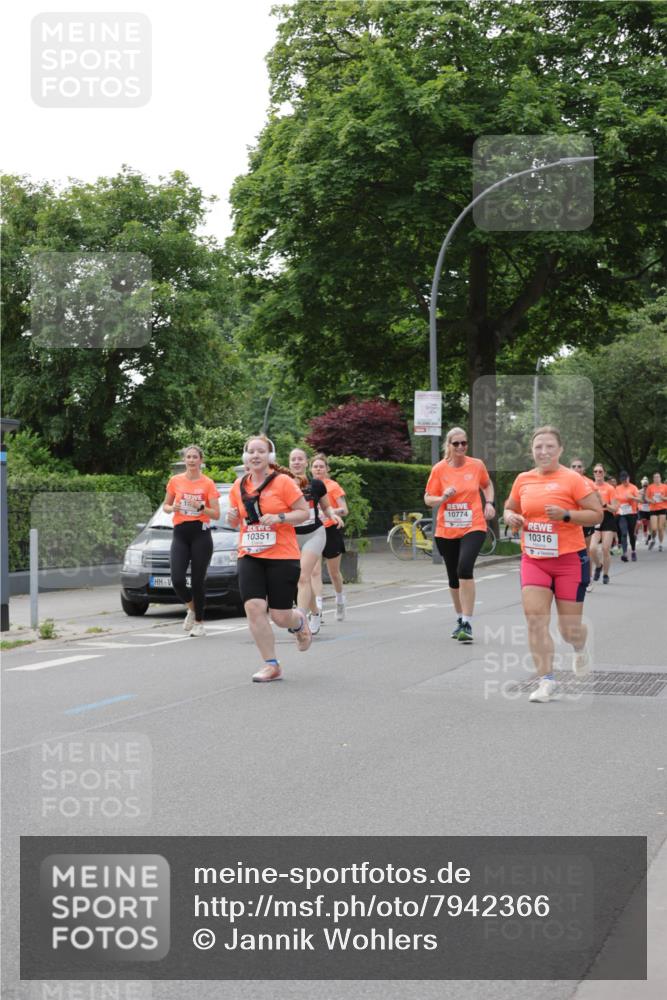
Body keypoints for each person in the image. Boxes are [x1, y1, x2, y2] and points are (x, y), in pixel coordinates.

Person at [503, 426, 602, 704]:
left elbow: (596, 515)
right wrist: (510, 516)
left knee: (568, 629)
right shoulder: (523, 480)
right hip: (534, 559)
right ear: (532, 451)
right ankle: (546, 681)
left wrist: (567, 515)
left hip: (569, 560)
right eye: (538, 447)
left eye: (549, 447)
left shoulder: (574, 480)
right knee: (535, 620)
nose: (543, 451)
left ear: (560, 450)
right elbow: (509, 506)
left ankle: (580, 647)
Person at [227, 436, 312, 682]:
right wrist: (232, 516)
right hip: (250, 554)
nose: (255, 455)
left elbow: (304, 512)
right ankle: (271, 664)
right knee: (254, 607)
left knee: (279, 616)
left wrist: (280, 518)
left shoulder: (283, 482)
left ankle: (298, 622)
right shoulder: (238, 485)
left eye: (261, 451)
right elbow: (235, 521)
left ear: (270, 457)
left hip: (282, 555)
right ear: (245, 457)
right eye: (251, 451)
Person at [424, 426, 495, 643]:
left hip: (473, 526)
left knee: (465, 568)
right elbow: (428, 498)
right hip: (446, 530)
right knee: (453, 577)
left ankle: (467, 621)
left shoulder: (477, 465)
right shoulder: (439, 469)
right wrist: (442, 497)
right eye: (456, 443)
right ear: (449, 445)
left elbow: (487, 484)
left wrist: (489, 503)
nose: (461, 447)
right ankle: (459, 618)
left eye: (464, 443)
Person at [163, 445, 220, 637]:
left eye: (195, 457)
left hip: (201, 534)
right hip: (180, 532)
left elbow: (217, 514)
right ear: (184, 460)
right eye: (188, 457)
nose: (192, 460)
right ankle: (192, 608)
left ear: (201, 460)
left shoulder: (208, 483)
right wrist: (174, 507)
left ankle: (199, 622)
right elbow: (165, 505)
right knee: (177, 579)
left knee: (197, 581)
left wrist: (201, 506)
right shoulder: (175, 481)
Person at [287, 448, 343, 635]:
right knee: (297, 579)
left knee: (304, 576)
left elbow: (327, 507)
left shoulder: (317, 484)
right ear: (289, 463)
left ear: (306, 463)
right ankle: (315, 613)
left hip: (314, 534)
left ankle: (300, 619)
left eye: (300, 459)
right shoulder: (282, 484)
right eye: (293, 459)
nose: (296, 462)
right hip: (291, 536)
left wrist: (334, 516)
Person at [310, 454, 349, 622]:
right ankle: (318, 608)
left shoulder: (333, 486)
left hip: (330, 530)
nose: (318, 469)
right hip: (313, 531)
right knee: (315, 571)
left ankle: (340, 600)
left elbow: (344, 510)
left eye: (321, 466)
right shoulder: (307, 486)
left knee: (333, 573)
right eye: (315, 466)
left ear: (327, 469)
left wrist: (329, 511)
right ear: (310, 469)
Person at [570, 458, 596, 590]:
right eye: (573, 466)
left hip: (585, 520)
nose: (576, 469)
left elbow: (596, 503)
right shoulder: (565, 482)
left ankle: (588, 578)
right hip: (570, 521)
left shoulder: (590, 483)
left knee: (585, 551)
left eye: (579, 466)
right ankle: (572, 578)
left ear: (584, 469)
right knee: (570, 552)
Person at [590, 464, 618, 585]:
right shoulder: (589, 487)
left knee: (605, 548)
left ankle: (606, 574)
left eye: (600, 471)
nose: (598, 473)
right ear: (593, 474)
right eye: (595, 471)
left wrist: (605, 504)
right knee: (592, 548)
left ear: (604, 473)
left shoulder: (610, 488)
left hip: (607, 517)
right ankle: (598, 565)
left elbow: (615, 508)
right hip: (595, 517)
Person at [614, 471, 642, 562]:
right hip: (622, 514)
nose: (624, 482)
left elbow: (640, 499)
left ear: (628, 478)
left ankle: (633, 551)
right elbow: (615, 500)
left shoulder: (633, 487)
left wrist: (632, 497)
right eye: (622, 480)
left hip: (632, 514)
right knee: (624, 533)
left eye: (625, 480)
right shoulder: (617, 488)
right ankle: (625, 553)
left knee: (631, 534)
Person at [647, 473, 666, 551]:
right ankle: (653, 539)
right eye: (655, 477)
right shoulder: (650, 487)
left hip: (662, 508)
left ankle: (660, 544)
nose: (656, 478)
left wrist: (663, 498)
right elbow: (646, 498)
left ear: (660, 478)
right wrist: (651, 500)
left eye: (658, 477)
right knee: (654, 528)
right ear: (653, 479)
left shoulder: (665, 487)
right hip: (653, 508)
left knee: (661, 528)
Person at [637, 477, 651, 544]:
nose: (645, 486)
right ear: (642, 485)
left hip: (649, 509)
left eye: (646, 485)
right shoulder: (640, 491)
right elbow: (640, 501)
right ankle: (645, 536)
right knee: (643, 522)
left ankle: (649, 534)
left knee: (649, 523)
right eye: (644, 485)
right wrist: (642, 496)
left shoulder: (650, 491)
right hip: (642, 509)